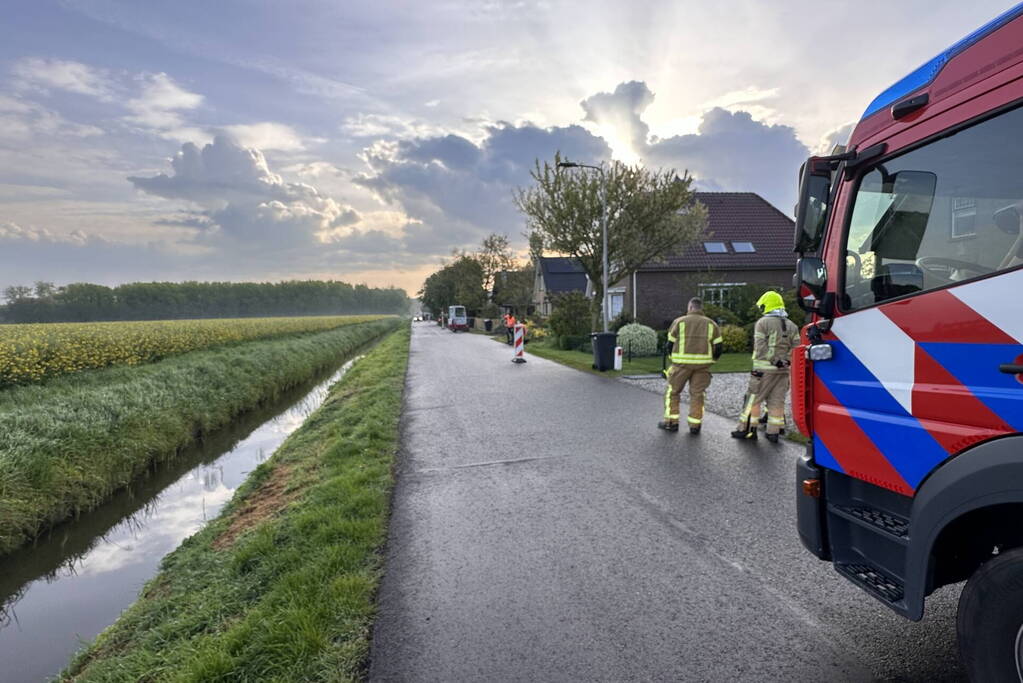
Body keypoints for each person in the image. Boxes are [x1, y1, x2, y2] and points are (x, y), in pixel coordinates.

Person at [732, 291, 800, 443]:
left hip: (763, 371)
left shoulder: (762, 323)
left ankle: (747, 430)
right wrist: (786, 361)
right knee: (777, 401)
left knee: (753, 400)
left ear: (766, 305)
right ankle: (773, 432)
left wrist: (774, 360)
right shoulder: (792, 325)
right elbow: (797, 348)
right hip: (783, 371)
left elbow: (760, 346)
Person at [659, 297, 723, 435]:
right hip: (702, 367)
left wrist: (672, 358)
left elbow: (669, 344)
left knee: (673, 392)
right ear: (701, 308)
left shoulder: (679, 322)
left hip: (680, 365)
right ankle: (695, 425)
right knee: (697, 395)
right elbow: (719, 347)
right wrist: (712, 361)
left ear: (690, 307)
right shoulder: (711, 324)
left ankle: (671, 422)